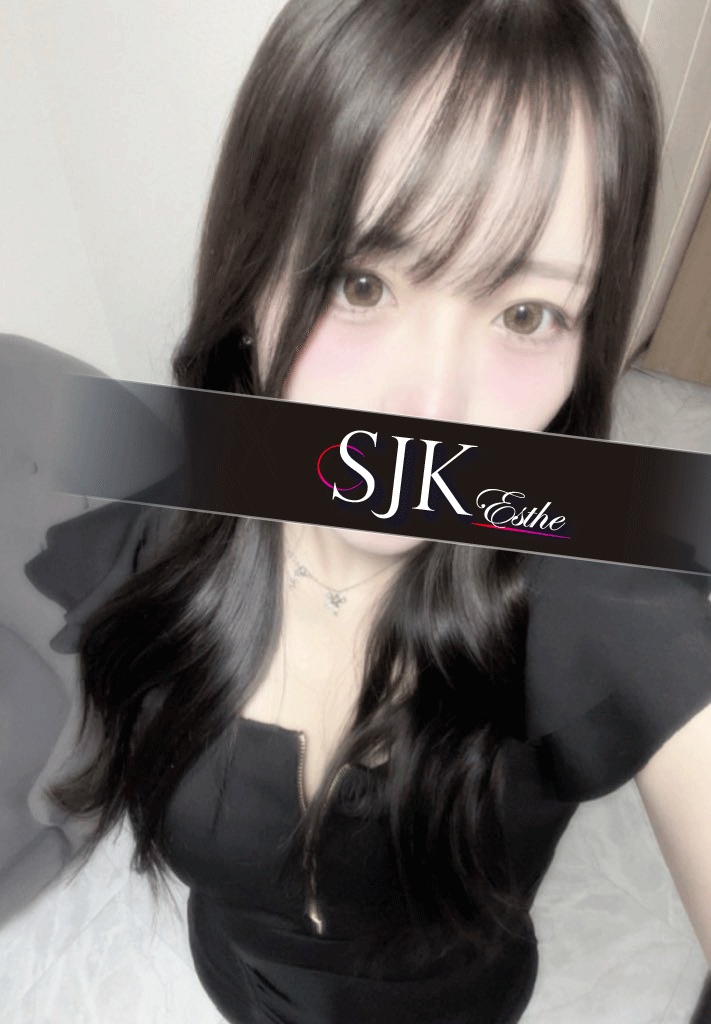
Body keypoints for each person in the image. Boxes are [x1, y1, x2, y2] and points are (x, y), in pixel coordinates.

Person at [23, 0, 711, 1021]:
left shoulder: (605, 595)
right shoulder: (168, 489)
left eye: (526, 313)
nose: (431, 407)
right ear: (253, 275)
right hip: (235, 980)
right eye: (360, 282)